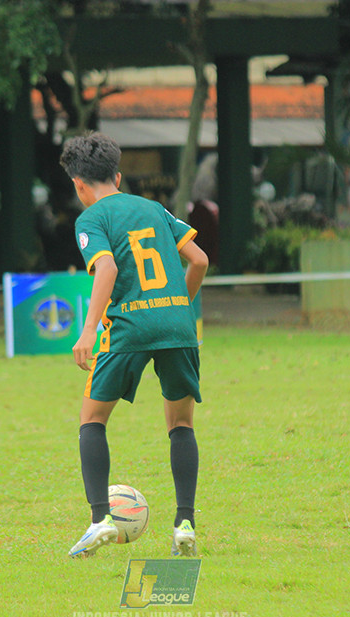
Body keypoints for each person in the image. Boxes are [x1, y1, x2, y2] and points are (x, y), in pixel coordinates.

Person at [59, 132, 208, 558]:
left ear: (78, 184)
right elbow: (198, 259)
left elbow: (105, 268)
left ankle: (99, 519)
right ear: (118, 176)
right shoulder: (154, 208)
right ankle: (184, 525)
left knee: (93, 418)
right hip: (178, 324)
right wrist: (180, 304)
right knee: (181, 424)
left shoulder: (91, 219)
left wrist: (89, 330)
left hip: (129, 325)